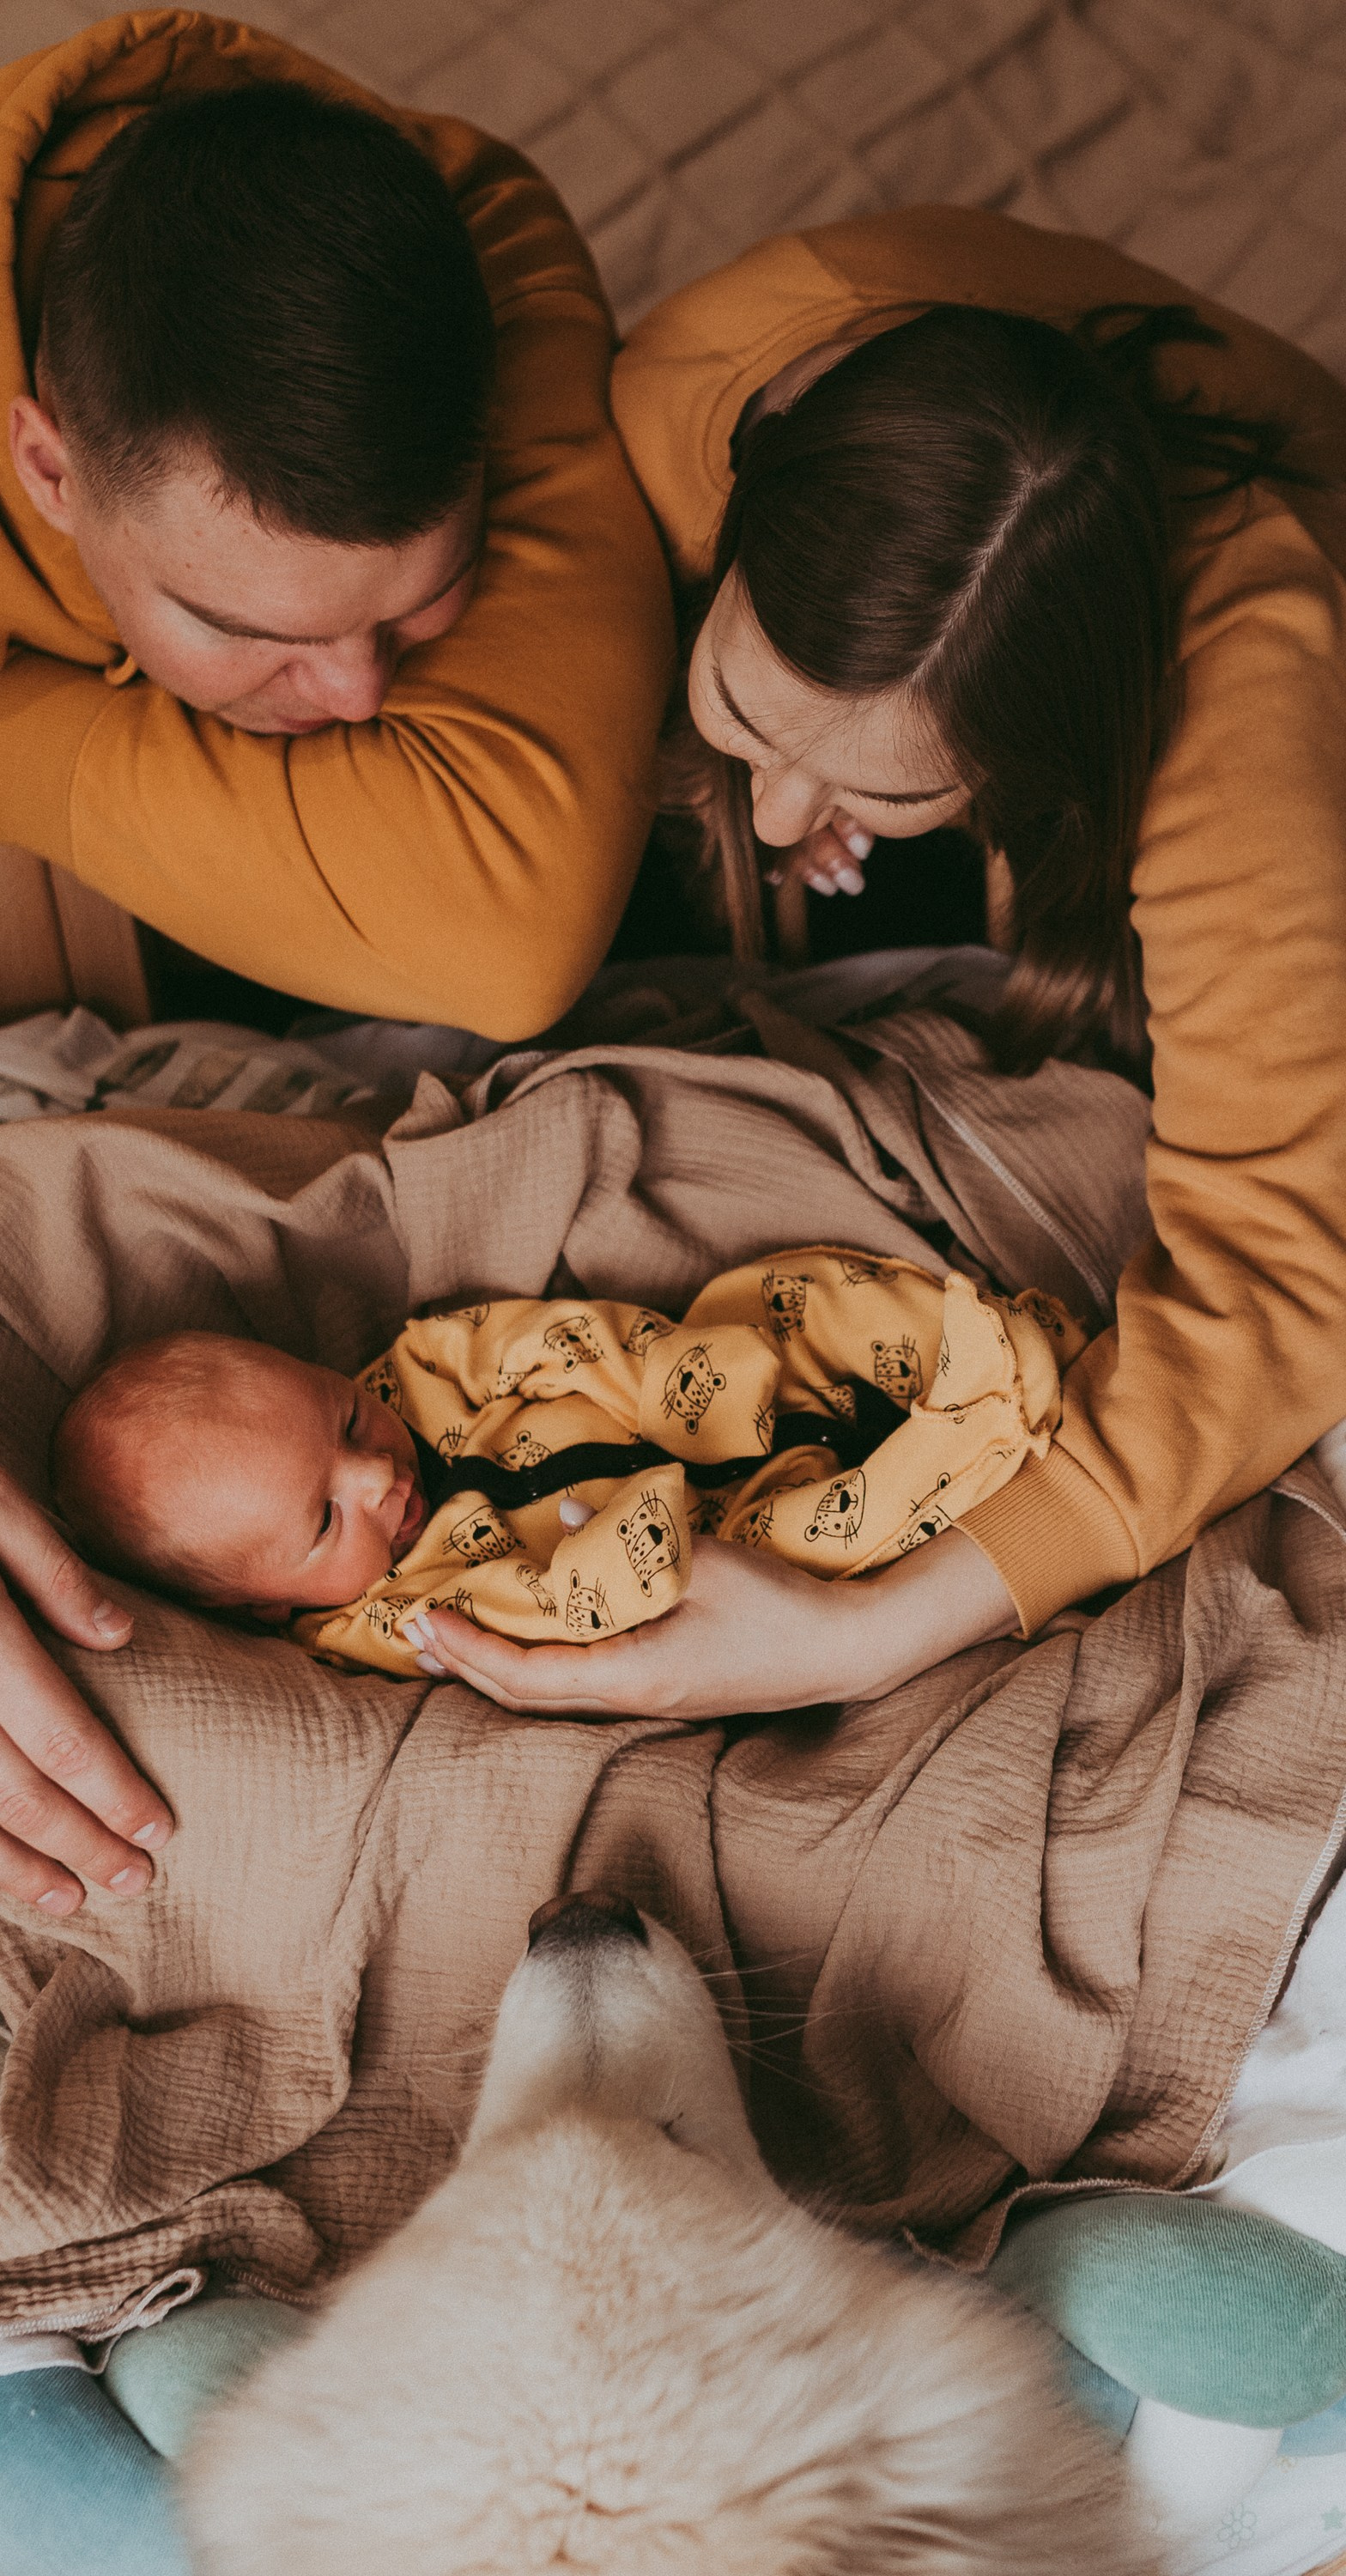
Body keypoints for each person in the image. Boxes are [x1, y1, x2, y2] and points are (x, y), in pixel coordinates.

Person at [0, 15, 671, 1911]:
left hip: (269, 958)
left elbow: (504, 924)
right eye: (249, 624)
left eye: (419, 603)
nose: (357, 695)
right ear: (43, 460)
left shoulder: (476, 253)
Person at [413, 206, 1346, 1721]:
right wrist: (673, 757)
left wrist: (874, 1631)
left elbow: (1284, 1276)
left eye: (892, 796)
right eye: (744, 697)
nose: (782, 815)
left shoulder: (1247, 703)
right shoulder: (684, 402)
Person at [50, 1256, 1083, 1675]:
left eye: (344, 1419)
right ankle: (984, 1431)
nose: (372, 1477)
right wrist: (621, 1564)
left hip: (702, 1396)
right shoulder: (384, 1619)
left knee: (779, 1303)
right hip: (712, 1538)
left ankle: (982, 1339)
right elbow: (522, 1611)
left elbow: (547, 1342)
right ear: (257, 1609)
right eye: (323, 1520)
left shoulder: (416, 1366)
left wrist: (675, 1380)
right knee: (818, 1541)